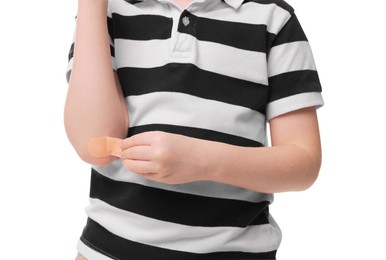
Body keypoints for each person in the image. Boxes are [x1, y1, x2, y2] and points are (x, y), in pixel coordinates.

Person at [65, 0, 324, 259]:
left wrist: (202, 160)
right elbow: (96, 145)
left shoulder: (275, 18)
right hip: (104, 251)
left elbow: (303, 163)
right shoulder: (108, 11)